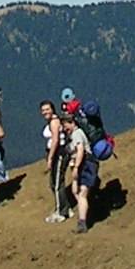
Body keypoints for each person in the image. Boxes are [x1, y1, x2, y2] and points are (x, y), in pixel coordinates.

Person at [60, 99, 97, 233]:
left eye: (66, 125)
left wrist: (75, 168)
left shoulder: (76, 134)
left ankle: (82, 223)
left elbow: (80, 150)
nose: (65, 128)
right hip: (84, 164)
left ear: (72, 123)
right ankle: (84, 215)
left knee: (81, 194)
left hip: (86, 164)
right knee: (77, 192)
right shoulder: (77, 134)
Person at [40, 100, 70, 222]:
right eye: (43, 110)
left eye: (47, 109)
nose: (45, 112)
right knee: (53, 183)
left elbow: (56, 140)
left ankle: (61, 212)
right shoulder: (52, 121)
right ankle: (66, 207)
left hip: (59, 153)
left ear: (52, 109)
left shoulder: (54, 122)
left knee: (57, 184)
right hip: (55, 152)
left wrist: (51, 158)